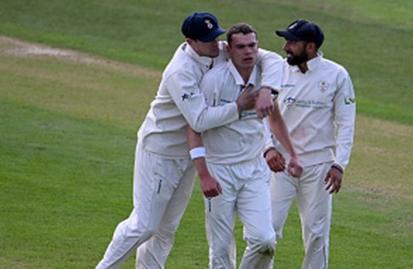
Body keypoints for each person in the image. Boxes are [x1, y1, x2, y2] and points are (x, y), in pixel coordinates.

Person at [96, 12, 283, 269]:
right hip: (160, 151)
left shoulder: (216, 50)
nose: (215, 45)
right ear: (190, 41)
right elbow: (199, 120)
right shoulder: (180, 71)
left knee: (166, 229)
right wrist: (238, 106)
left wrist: (266, 89)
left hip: (189, 154)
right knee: (145, 224)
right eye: (207, 40)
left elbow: (271, 58)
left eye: (216, 37)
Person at [186, 23, 303, 269]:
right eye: (240, 47)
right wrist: (204, 174)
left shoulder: (265, 76)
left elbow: (275, 116)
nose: (248, 52)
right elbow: (194, 128)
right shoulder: (214, 81)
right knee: (220, 250)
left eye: (252, 45)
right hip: (219, 170)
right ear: (228, 49)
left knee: (265, 241)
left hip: (254, 171)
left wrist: (292, 153)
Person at [265, 19, 356, 269]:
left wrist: (339, 164)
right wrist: (268, 147)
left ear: (311, 47)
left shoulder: (337, 75)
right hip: (279, 163)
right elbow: (262, 114)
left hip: (319, 166)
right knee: (266, 232)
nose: (285, 47)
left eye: (292, 42)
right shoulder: (278, 71)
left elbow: (346, 123)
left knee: (316, 234)